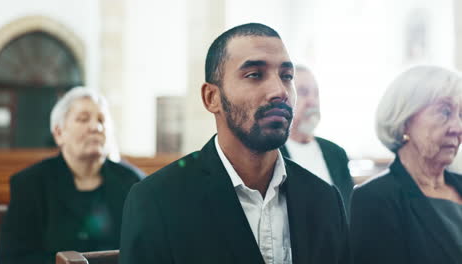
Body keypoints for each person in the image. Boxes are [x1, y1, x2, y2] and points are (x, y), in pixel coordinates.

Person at [120, 23, 351, 264]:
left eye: (286, 76)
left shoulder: (324, 200)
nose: (279, 91)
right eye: (254, 75)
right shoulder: (158, 201)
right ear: (212, 98)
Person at [0, 87, 141, 264]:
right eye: (83, 119)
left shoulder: (133, 183)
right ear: (58, 133)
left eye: (102, 120)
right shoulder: (30, 184)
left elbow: (146, 248)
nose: (96, 127)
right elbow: (13, 258)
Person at [350, 65, 462, 264]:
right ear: (404, 121)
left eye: (461, 114)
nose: (457, 128)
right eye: (445, 112)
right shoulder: (374, 199)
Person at [280, 65, 354, 213]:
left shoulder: (336, 153)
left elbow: (349, 209)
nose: (312, 101)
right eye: (303, 92)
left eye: (316, 94)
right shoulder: (274, 154)